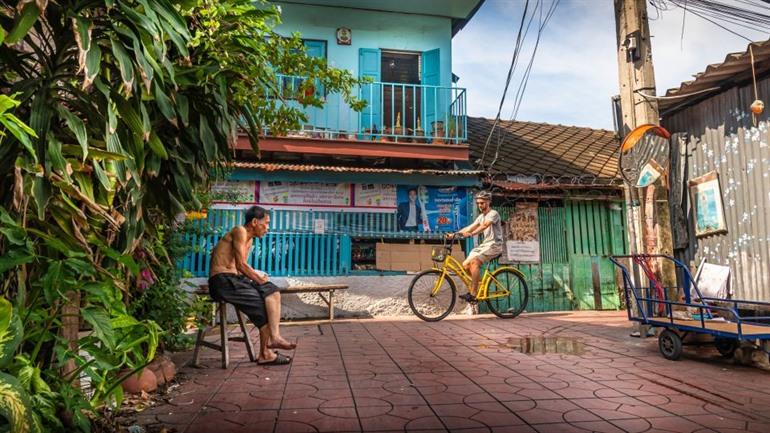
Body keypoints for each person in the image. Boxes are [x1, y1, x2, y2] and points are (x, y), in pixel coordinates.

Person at [208, 205, 295, 365]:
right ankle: (266, 352)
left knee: (272, 291)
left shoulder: (250, 240)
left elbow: (240, 269)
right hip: (222, 281)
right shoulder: (239, 230)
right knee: (266, 303)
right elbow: (241, 265)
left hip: (234, 280)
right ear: (255, 221)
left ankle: (273, 340)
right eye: (266, 223)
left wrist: (260, 276)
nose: (268, 228)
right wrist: (260, 280)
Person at [448, 191, 503, 303]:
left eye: (482, 203)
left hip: (495, 245)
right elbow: (470, 227)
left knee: (474, 262)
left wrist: (472, 234)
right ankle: (478, 283)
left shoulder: (493, 213)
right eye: (478, 203)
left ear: (488, 202)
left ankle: (473, 294)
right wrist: (454, 234)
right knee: (465, 265)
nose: (480, 205)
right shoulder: (481, 216)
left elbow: (485, 225)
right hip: (485, 245)